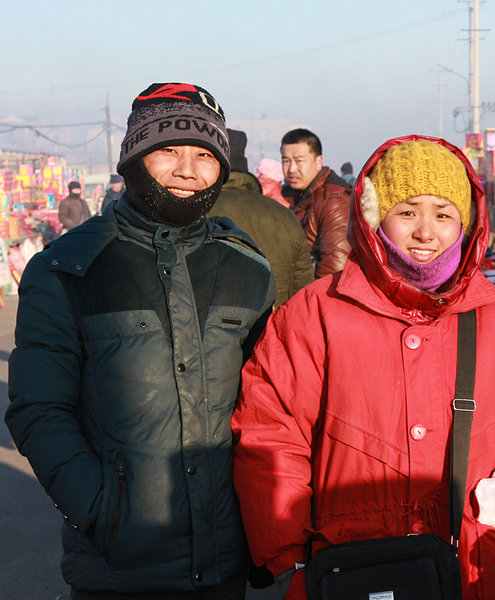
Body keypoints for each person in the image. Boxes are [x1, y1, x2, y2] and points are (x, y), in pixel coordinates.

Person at [232, 135, 495, 600]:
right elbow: (271, 437)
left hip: (477, 573)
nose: (426, 232)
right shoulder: (315, 314)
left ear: (467, 224)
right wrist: (289, 558)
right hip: (347, 569)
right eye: (408, 211)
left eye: (444, 213)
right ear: (375, 218)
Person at [5, 82, 276, 600]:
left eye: (204, 154)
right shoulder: (67, 268)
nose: (187, 169)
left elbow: (269, 410)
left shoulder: (246, 268)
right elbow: (38, 411)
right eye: (166, 150)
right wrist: (100, 514)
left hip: (227, 561)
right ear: (133, 158)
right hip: (118, 571)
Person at [210, 128, 314, 307]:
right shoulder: (285, 215)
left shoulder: (196, 213)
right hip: (274, 329)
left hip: (208, 332)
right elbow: (303, 292)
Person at [280, 128, 352, 278]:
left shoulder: (334, 200)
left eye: (299, 161)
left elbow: (335, 268)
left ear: (318, 161)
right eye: (286, 161)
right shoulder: (290, 194)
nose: (292, 169)